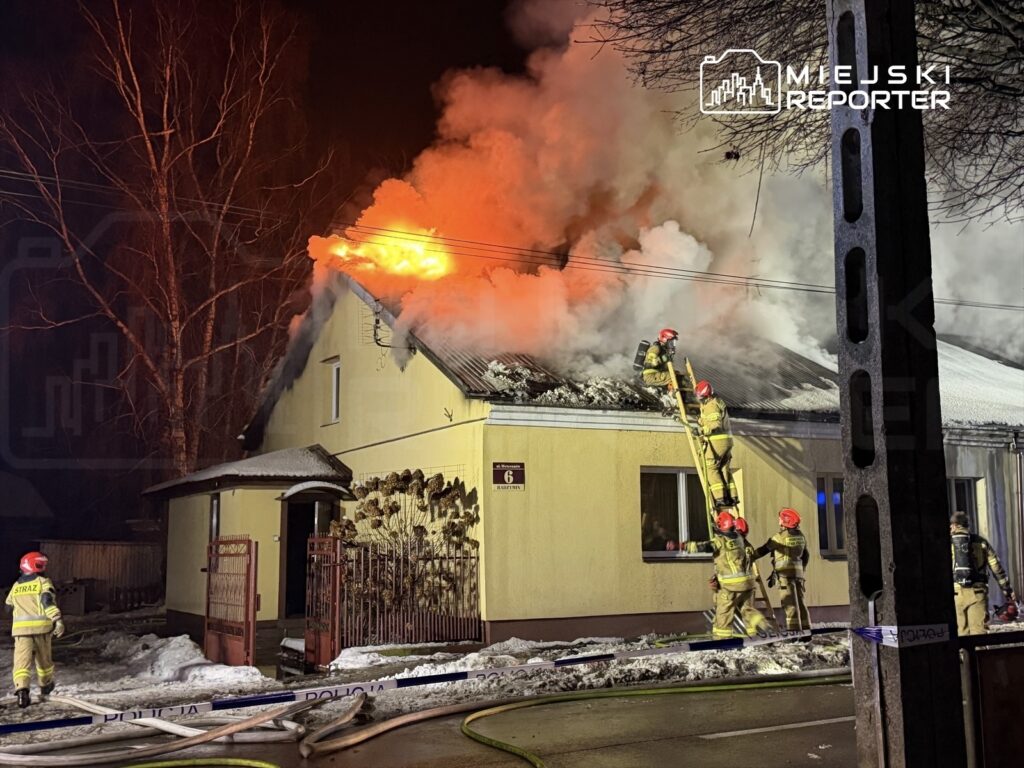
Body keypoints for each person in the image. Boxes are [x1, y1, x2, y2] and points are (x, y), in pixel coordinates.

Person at [681, 511, 771, 639]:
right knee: (748, 610)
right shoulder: (742, 541)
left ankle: (722, 640)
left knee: (723, 613)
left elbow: (704, 547)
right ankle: (761, 629)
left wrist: (684, 546)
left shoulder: (721, 541)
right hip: (748, 585)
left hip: (731, 586)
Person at [5, 551, 65, 708]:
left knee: (21, 663)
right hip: (42, 630)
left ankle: (22, 691)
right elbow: (47, 601)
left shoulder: (16, 586)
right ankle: (45, 686)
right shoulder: (43, 582)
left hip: (20, 632)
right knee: (44, 660)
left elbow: (7, 607)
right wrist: (57, 620)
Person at [950, 511, 1015, 636]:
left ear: (953, 525)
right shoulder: (981, 542)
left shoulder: (949, 543)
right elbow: (996, 567)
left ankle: (964, 656)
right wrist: (1007, 590)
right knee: (979, 635)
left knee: (961, 635)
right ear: (967, 525)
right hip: (977, 593)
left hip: (956, 594)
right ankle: (979, 655)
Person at [754, 508, 810, 631]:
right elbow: (806, 556)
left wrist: (750, 556)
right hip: (798, 576)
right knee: (801, 604)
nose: (779, 520)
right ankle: (806, 632)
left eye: (780, 518)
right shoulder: (801, 537)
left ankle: (793, 633)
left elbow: (764, 550)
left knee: (790, 606)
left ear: (786, 521)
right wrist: (802, 570)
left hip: (785, 577)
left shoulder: (779, 538)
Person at [694, 379, 738, 508]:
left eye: (700, 396)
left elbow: (715, 424)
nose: (699, 399)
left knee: (711, 468)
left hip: (717, 440)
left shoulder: (711, 405)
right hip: (727, 441)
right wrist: (703, 420)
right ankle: (732, 497)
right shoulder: (718, 401)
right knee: (724, 468)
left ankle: (720, 498)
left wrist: (702, 429)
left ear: (706, 395)